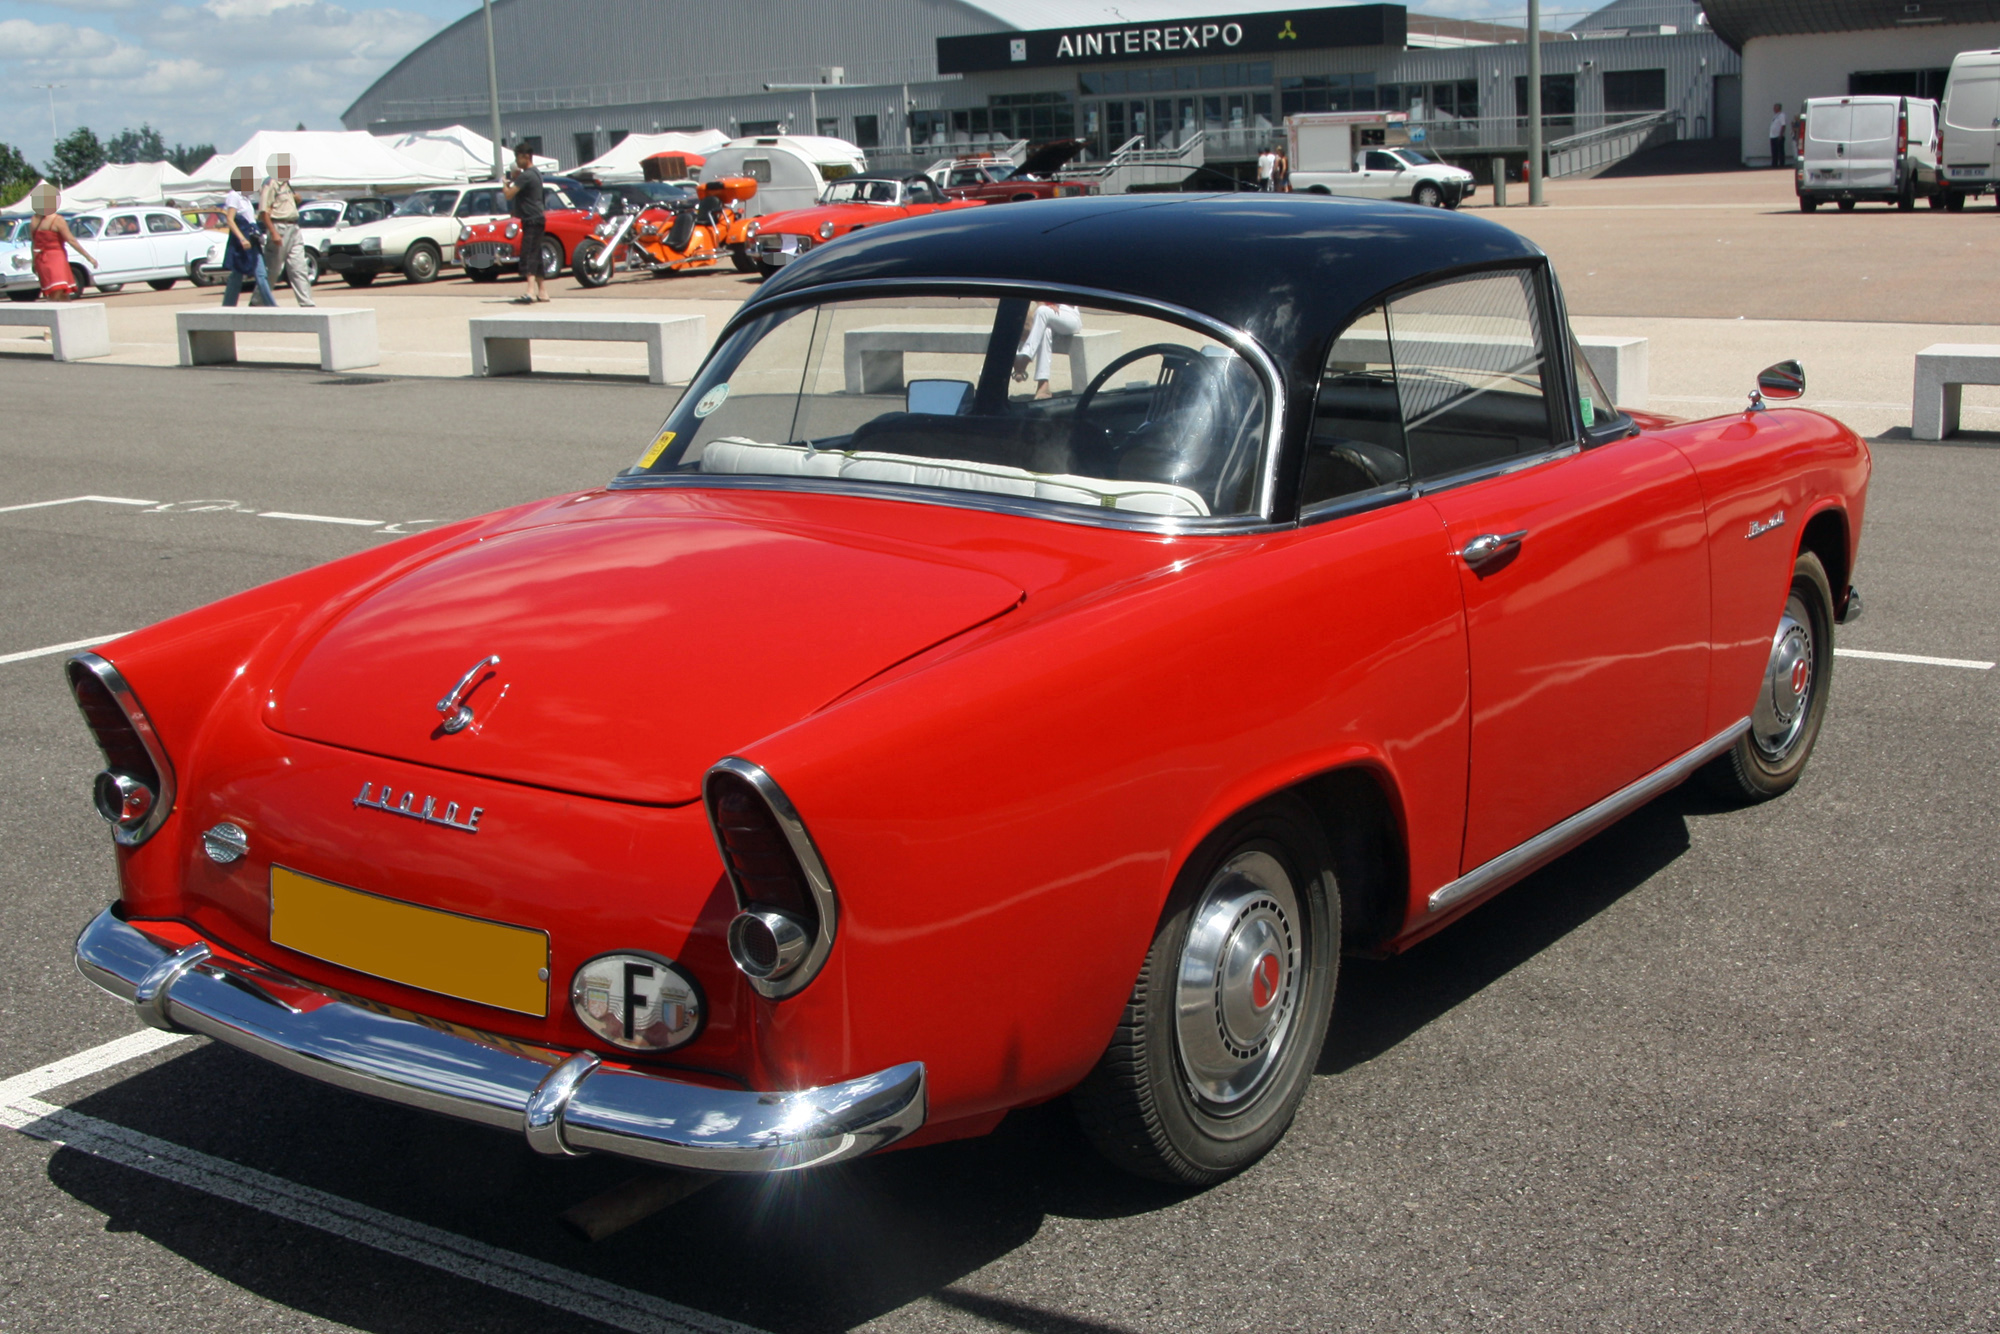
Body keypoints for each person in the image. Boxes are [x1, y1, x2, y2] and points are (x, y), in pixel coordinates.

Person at [259, 153, 315, 307]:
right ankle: (259, 301)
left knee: (299, 268)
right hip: (279, 227)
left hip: (294, 226)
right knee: (273, 269)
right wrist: (274, 233)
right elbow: (264, 212)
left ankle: (307, 304)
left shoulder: (287, 184)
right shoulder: (271, 183)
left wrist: (296, 199)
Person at [27, 181, 95, 302]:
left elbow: (34, 243)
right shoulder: (57, 220)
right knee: (60, 292)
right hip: (56, 258)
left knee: (54, 292)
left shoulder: (33, 220)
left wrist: (33, 263)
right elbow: (71, 240)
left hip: (41, 259)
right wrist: (89, 257)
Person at [221, 166, 276, 307]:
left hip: (253, 238)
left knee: (260, 274)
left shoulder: (246, 198)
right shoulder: (234, 196)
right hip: (242, 239)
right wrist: (242, 238)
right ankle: (228, 307)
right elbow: (230, 220)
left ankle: (270, 305)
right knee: (237, 275)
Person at [503, 142, 548, 303]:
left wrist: (504, 184)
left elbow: (509, 195)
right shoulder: (536, 173)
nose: (517, 161)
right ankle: (542, 292)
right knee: (536, 254)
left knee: (528, 253)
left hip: (531, 219)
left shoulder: (527, 175)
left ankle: (530, 291)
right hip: (538, 218)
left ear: (525, 156)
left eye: (518, 157)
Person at [1013, 300, 1083, 400]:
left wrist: (1049, 303)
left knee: (1042, 311)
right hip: (1050, 314)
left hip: (1069, 315)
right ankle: (1043, 384)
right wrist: (1047, 303)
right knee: (1045, 330)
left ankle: (1025, 357)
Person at [1770, 104, 1790, 170]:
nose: (1774, 109)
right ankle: (1774, 164)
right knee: (1774, 151)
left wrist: (1781, 135)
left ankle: (1781, 164)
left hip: (1778, 136)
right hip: (1773, 136)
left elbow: (1783, 125)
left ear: (1778, 108)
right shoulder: (1775, 116)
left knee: (1780, 151)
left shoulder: (1781, 115)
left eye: (1775, 107)